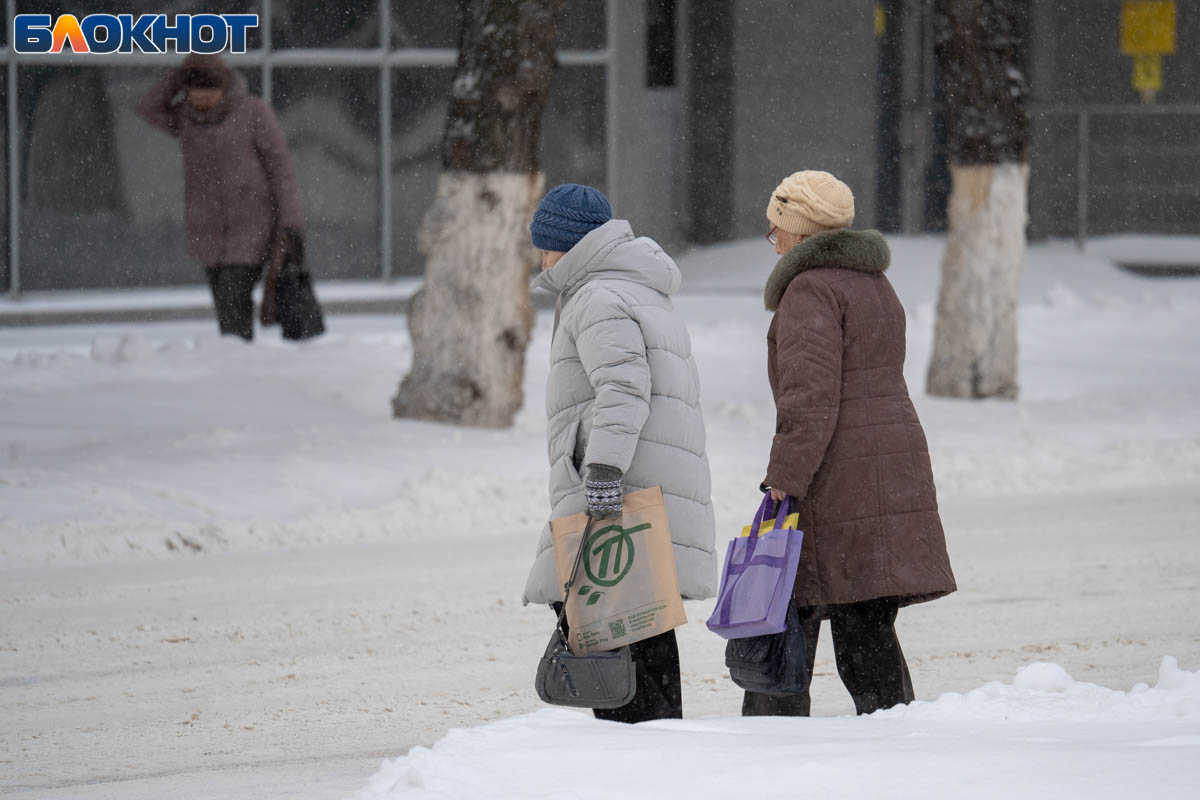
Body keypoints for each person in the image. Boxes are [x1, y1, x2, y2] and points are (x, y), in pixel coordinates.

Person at [750, 170, 957, 717]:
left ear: (798, 231)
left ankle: (766, 748)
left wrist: (784, 481)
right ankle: (896, 730)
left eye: (775, 229)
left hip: (838, 475)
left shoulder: (810, 288)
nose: (773, 241)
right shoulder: (872, 283)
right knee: (866, 626)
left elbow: (809, 398)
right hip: (887, 464)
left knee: (784, 621)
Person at [522, 183, 717, 723]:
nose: (541, 258)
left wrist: (603, 470)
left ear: (566, 245)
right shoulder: (634, 288)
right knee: (643, 631)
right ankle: (653, 752)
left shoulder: (598, 298)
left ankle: (635, 760)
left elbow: (624, 389)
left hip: (620, 489)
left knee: (616, 641)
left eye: (545, 246)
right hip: (644, 489)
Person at [138, 54, 305, 341]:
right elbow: (149, 108)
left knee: (233, 297)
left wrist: (291, 221)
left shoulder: (254, 113)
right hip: (206, 228)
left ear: (224, 87)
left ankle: (237, 362)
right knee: (225, 303)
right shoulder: (186, 119)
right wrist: (180, 76)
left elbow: (280, 168)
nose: (202, 102)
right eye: (195, 94)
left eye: (209, 94)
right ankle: (235, 359)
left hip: (251, 226)